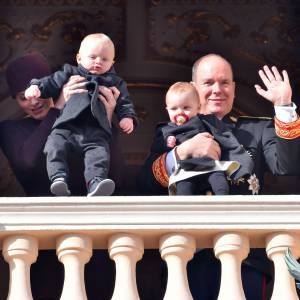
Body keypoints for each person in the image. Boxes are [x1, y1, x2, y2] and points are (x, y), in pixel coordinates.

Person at [137, 53, 300, 299]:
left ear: (233, 89)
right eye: (208, 82)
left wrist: (284, 106)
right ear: (193, 88)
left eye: (225, 83)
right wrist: (182, 152)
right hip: (187, 258)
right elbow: (145, 184)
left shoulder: (256, 129)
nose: (217, 89)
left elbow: (287, 166)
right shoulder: (170, 132)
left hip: (246, 259)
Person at [25, 33, 138, 197]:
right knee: (54, 145)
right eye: (92, 56)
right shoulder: (69, 72)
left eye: (104, 59)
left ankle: (96, 183)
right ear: (79, 58)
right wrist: (36, 87)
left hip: (95, 129)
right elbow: (51, 82)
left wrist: (127, 117)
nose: (98, 61)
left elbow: (124, 102)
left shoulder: (115, 82)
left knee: (99, 155)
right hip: (66, 126)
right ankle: (58, 177)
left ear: (112, 63)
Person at [0, 52, 123, 197]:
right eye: (23, 98)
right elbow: (26, 162)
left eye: (38, 92)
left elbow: (117, 177)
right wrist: (57, 108)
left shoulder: (83, 123)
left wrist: (105, 118)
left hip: (92, 212)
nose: (33, 102)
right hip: (41, 215)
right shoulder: (10, 129)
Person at [162, 81, 254, 195]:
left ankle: (223, 203)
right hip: (185, 169)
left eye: (186, 107)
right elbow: (160, 149)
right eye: (174, 109)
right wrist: (171, 143)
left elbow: (225, 138)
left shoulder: (206, 121)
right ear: (167, 110)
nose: (180, 112)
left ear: (198, 107)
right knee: (183, 189)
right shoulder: (164, 130)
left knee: (220, 183)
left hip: (209, 164)